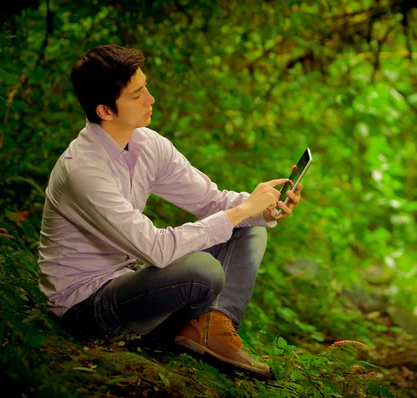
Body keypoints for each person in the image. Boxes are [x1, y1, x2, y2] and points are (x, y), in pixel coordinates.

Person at [37, 44, 303, 378]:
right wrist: (242, 210)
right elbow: (156, 249)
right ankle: (184, 330)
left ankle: (211, 328)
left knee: (250, 227)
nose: (150, 99)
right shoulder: (83, 170)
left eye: (145, 87)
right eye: (136, 95)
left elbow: (211, 201)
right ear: (106, 110)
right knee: (202, 269)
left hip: (131, 281)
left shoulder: (147, 144)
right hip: (88, 306)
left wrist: (265, 209)